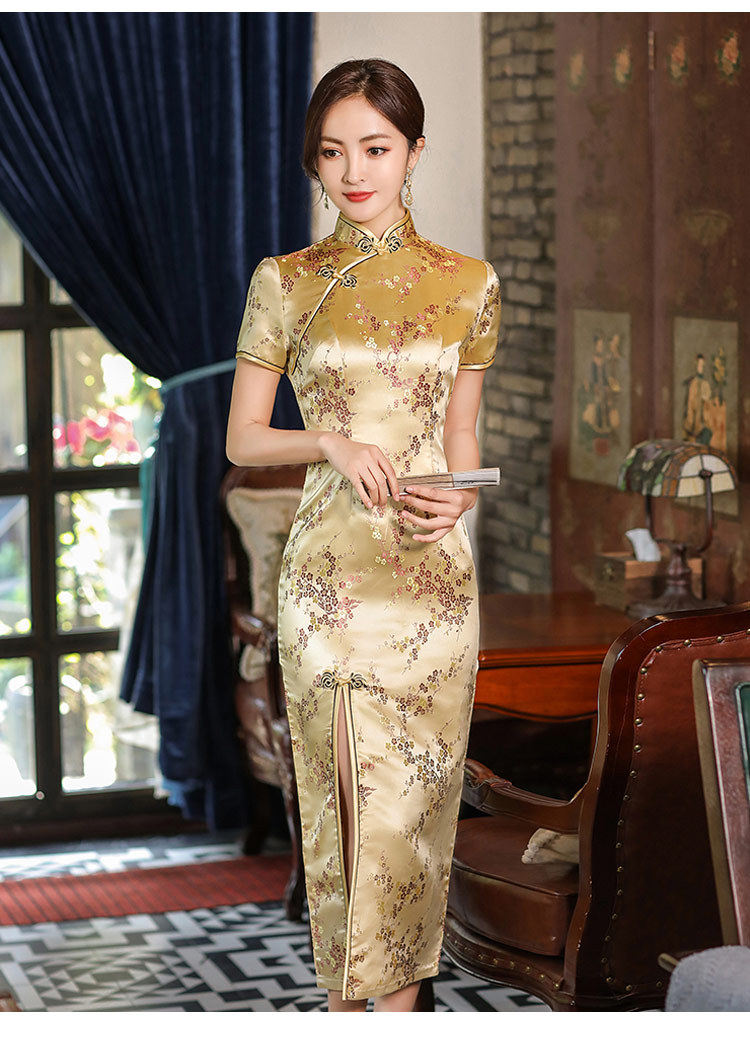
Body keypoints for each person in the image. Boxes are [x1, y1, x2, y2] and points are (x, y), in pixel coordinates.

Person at [225, 58, 501, 1013]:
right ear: (314, 161)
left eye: (376, 148)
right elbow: (243, 437)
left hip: (433, 587)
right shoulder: (286, 282)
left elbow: (461, 434)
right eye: (333, 152)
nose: (354, 171)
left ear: (413, 152)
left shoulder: (470, 284)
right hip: (331, 590)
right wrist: (330, 443)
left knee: (414, 822)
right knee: (347, 822)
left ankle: (399, 1017)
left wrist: (461, 498)